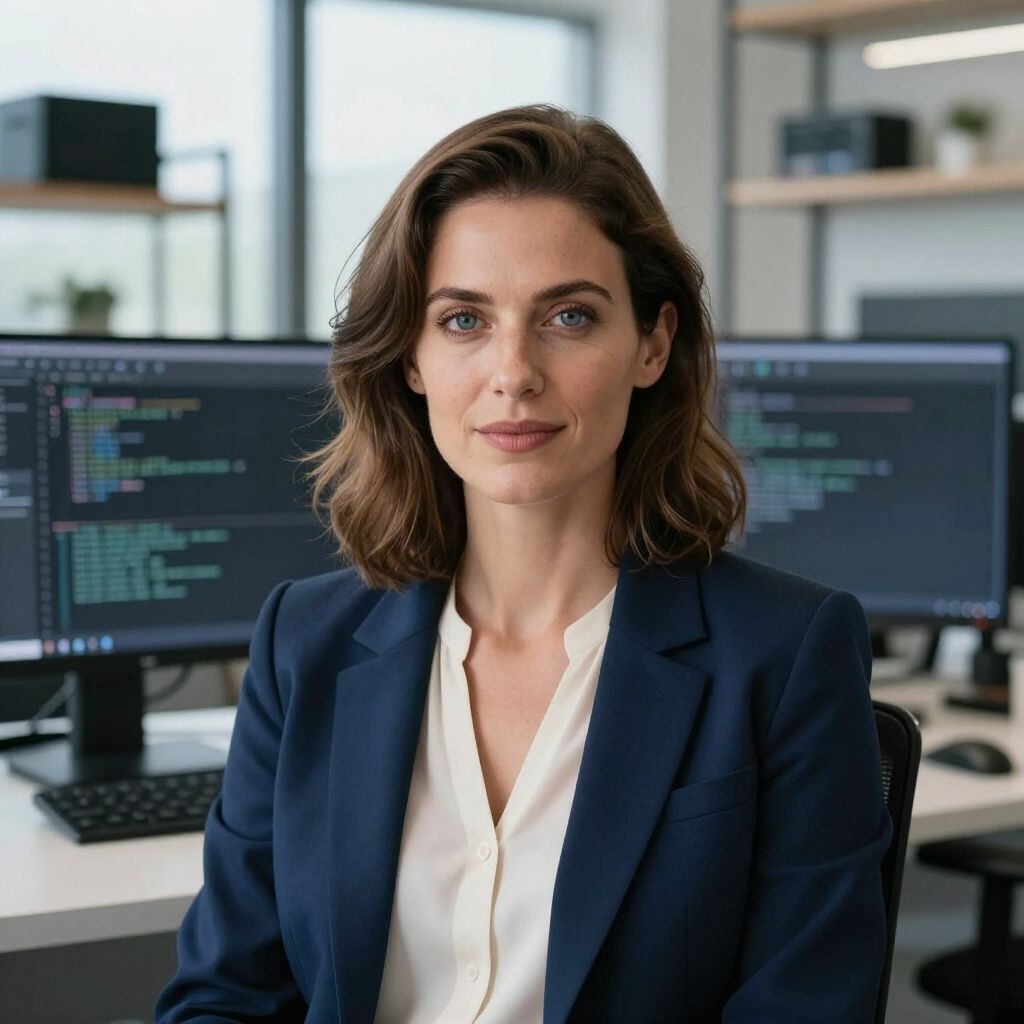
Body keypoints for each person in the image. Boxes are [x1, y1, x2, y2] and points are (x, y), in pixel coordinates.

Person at [155, 104, 892, 1024]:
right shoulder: (303, 641)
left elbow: (806, 1008)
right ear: (412, 359)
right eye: (463, 320)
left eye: (569, 317)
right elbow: (223, 995)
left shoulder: (783, 653)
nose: (514, 372)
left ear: (652, 345)